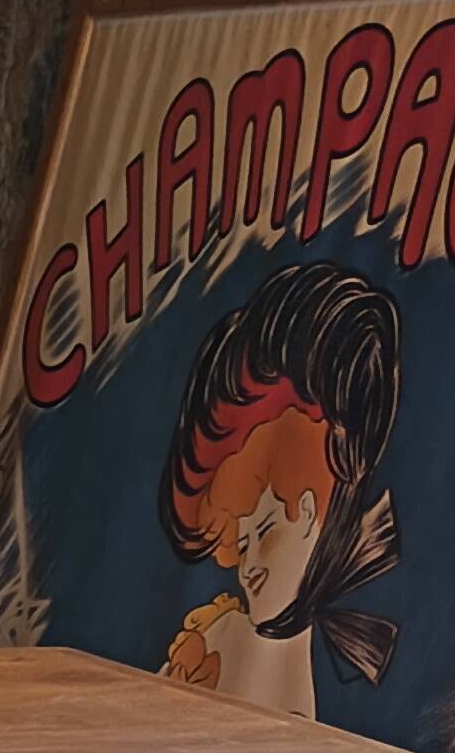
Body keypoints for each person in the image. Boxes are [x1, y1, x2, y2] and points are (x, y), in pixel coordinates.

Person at [157, 262, 404, 721]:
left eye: (266, 530)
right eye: (242, 542)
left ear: (316, 513)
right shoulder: (221, 629)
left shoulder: (288, 700)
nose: (248, 566)